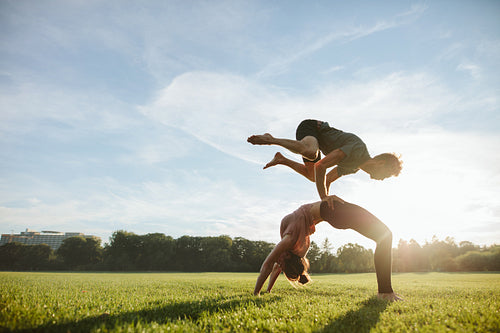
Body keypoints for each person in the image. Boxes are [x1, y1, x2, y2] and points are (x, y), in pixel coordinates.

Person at [253, 195, 403, 301]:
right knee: (385, 235)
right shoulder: (290, 242)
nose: (279, 263)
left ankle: (384, 292)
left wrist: (262, 292)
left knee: (384, 236)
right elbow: (270, 266)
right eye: (282, 263)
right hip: (333, 211)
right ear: (287, 258)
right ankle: (384, 293)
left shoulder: (290, 246)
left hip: (332, 213)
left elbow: (272, 267)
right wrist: (258, 293)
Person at [247, 119, 402, 208]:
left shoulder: (354, 168)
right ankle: (271, 139)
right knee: (311, 151)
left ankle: (281, 159)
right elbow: (321, 166)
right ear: (381, 163)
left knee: (314, 177)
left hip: (316, 143)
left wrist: (328, 201)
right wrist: (323, 198)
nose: (382, 179)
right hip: (312, 128)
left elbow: (326, 179)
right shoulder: (358, 149)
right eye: (386, 175)